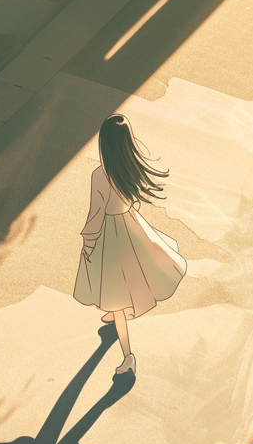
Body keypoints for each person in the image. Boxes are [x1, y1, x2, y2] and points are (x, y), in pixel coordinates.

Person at [73, 114, 187, 376]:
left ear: (105, 145)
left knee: (115, 294)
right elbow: (132, 200)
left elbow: (95, 214)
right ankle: (116, 317)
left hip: (111, 237)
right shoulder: (131, 168)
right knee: (131, 281)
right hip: (130, 226)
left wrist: (88, 242)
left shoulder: (100, 176)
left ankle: (128, 356)